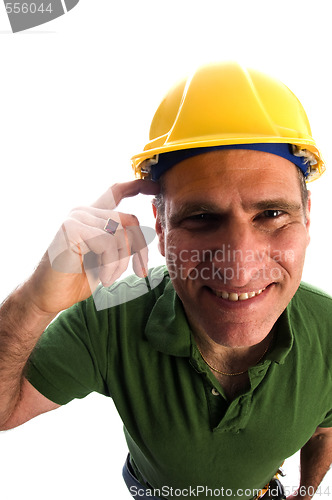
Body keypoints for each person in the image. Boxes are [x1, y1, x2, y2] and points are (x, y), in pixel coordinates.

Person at [0, 61, 331, 500]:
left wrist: (306, 494)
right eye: (200, 217)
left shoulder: (329, 329)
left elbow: (325, 430)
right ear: (160, 226)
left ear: (307, 217)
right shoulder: (109, 317)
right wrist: (36, 304)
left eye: (271, 214)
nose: (240, 265)